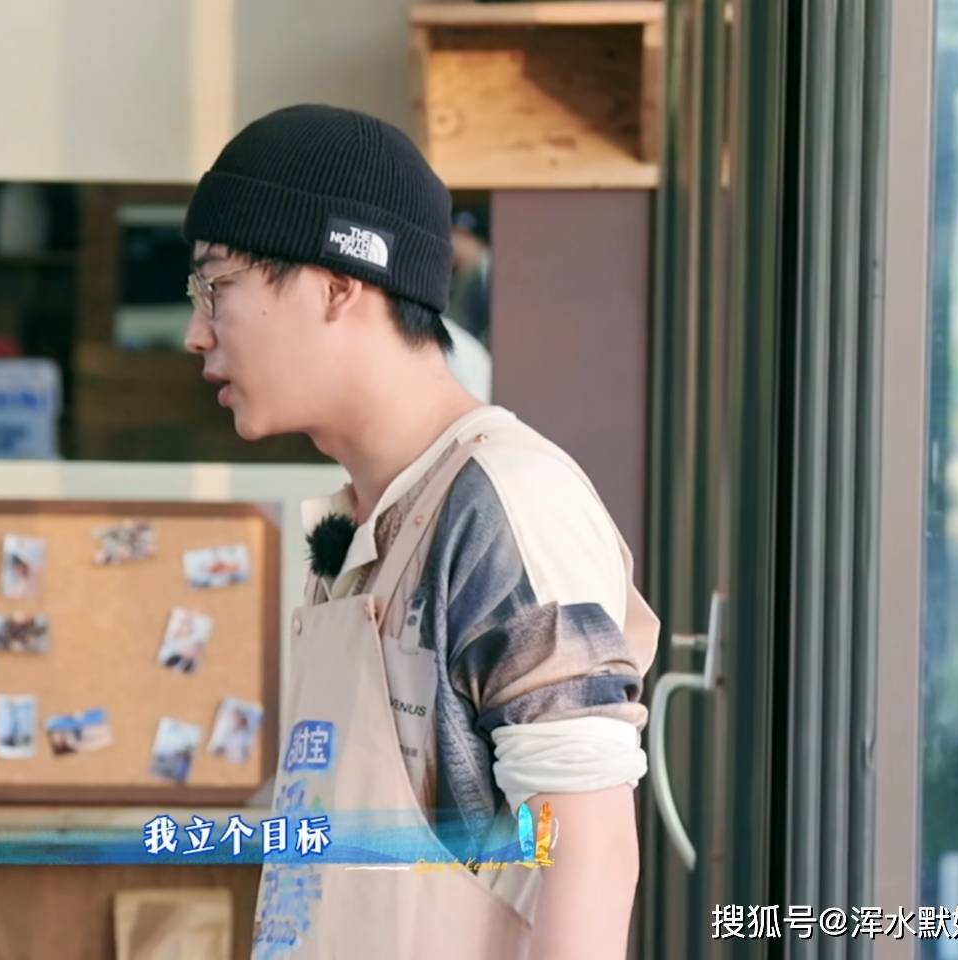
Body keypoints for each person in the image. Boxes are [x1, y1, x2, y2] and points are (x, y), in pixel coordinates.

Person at [181, 104, 659, 959]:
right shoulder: (364, 522)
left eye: (217, 287)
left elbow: (590, 851)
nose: (196, 333)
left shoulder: (506, 503)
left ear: (338, 284)